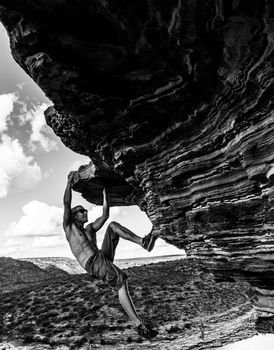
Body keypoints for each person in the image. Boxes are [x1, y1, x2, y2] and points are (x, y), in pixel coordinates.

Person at [63, 172, 158, 339]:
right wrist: (69, 183)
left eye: (85, 210)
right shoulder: (70, 228)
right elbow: (66, 203)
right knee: (121, 283)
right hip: (93, 263)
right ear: (73, 215)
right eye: (81, 211)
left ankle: (144, 243)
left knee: (113, 226)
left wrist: (105, 194)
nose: (85, 213)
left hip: (101, 256)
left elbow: (105, 215)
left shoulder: (90, 229)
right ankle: (139, 326)